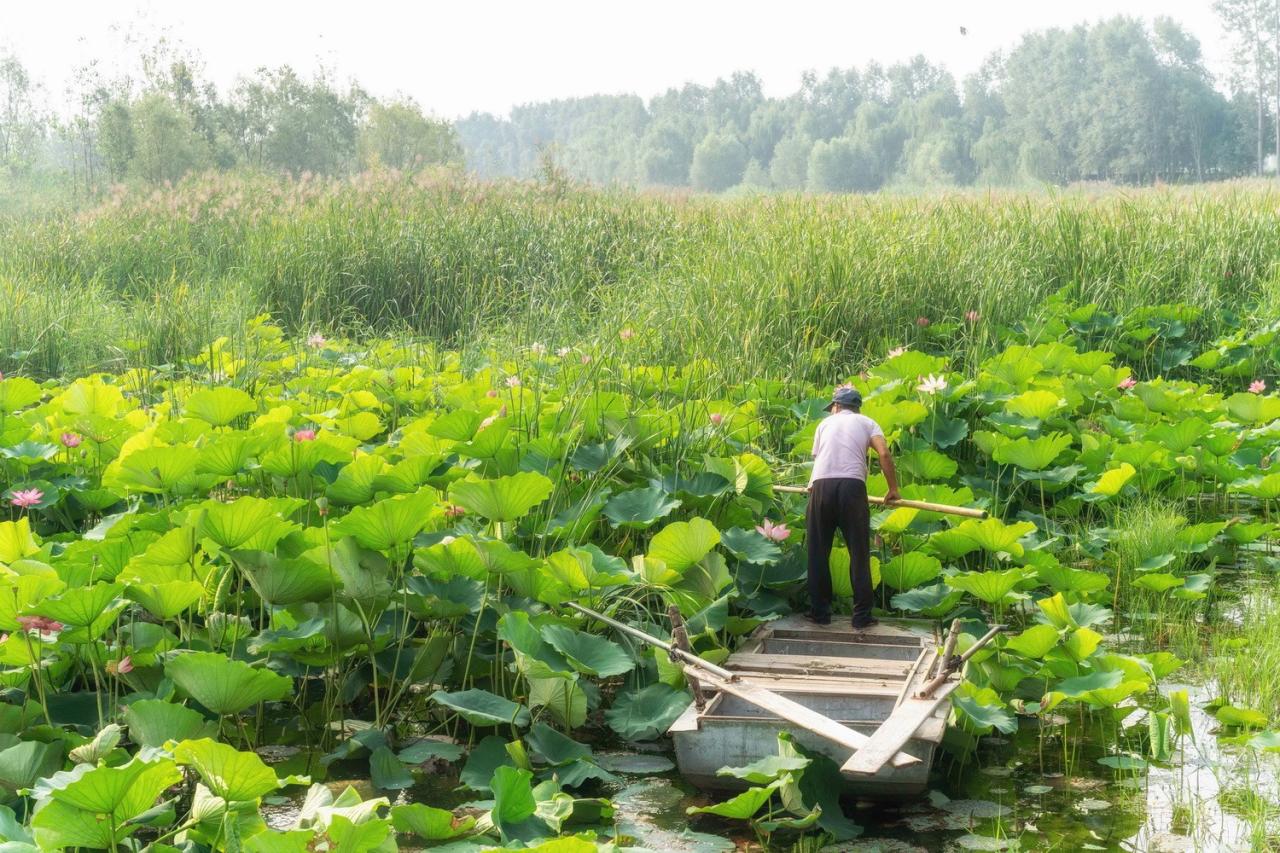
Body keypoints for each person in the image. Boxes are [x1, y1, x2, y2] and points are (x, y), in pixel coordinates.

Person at [806, 385, 900, 629]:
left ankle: (820, 613)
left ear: (836, 407)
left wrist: (811, 486)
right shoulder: (868, 423)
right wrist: (893, 489)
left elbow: (820, 459)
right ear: (857, 407)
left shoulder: (824, 425)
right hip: (852, 488)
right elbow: (884, 454)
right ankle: (861, 616)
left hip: (821, 486)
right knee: (858, 553)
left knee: (818, 552)